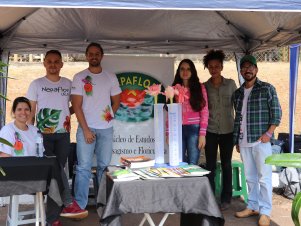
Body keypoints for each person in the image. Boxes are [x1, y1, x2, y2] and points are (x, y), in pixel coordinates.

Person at [0, 97, 87, 226]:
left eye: (26, 109)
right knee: (54, 176)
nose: (23, 112)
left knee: (54, 171)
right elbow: (4, 158)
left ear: (31, 112)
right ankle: (62, 210)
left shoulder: (35, 131)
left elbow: (41, 153)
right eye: (19, 109)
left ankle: (54, 217)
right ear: (13, 112)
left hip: (35, 172)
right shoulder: (7, 130)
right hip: (17, 176)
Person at [26, 50, 88, 226]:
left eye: (56, 62)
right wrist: (30, 134)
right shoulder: (36, 84)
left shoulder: (69, 83)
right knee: (55, 171)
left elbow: (76, 105)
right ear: (44, 63)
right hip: (42, 135)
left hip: (63, 135)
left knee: (58, 172)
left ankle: (53, 218)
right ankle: (66, 205)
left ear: (61, 64)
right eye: (49, 62)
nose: (53, 65)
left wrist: (64, 116)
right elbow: (31, 111)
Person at [232, 55, 282, 226]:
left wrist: (269, 133)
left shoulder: (267, 88)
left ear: (256, 69)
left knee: (264, 177)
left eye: (251, 66)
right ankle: (252, 206)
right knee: (250, 177)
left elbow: (276, 113)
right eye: (244, 67)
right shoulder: (237, 94)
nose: (248, 70)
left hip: (261, 141)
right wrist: (237, 140)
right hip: (244, 141)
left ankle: (265, 212)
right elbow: (238, 117)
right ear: (241, 71)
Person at [71, 42, 121, 209]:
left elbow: (117, 101)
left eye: (97, 54)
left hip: (106, 130)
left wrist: (109, 117)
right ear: (86, 56)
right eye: (90, 54)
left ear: (102, 56)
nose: (94, 56)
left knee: (103, 167)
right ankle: (80, 205)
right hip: (86, 128)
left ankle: (102, 204)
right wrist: (85, 129)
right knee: (83, 168)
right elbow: (76, 106)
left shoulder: (110, 76)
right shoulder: (79, 77)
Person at [203, 50, 237, 210]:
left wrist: (238, 133)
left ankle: (226, 198)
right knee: (210, 166)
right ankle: (210, 196)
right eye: (211, 66)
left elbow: (238, 108)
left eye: (217, 66)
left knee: (226, 164)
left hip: (228, 131)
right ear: (207, 68)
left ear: (222, 67)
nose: (214, 69)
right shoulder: (204, 87)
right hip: (210, 131)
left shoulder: (231, 84)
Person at [171, 59, 208, 165]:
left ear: (193, 72)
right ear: (178, 71)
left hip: (194, 130)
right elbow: (170, 111)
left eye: (188, 69)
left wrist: (202, 134)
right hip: (178, 129)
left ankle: (193, 182)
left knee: (193, 163)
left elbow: (204, 112)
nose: (185, 72)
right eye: (182, 69)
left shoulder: (200, 88)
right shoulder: (174, 89)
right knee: (178, 162)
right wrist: (169, 133)